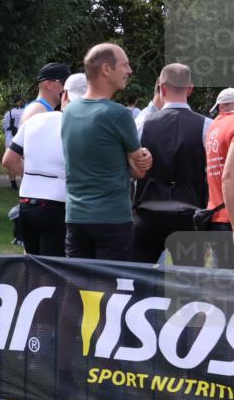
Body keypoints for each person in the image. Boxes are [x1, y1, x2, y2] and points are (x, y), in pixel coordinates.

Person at [61, 43, 152, 260]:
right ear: (106, 69)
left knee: (77, 280)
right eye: (125, 65)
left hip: (76, 217)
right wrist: (144, 157)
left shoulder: (69, 111)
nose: (129, 70)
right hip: (112, 219)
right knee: (110, 281)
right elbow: (138, 171)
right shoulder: (118, 114)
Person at [131, 63, 211, 265]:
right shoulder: (207, 127)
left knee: (138, 277)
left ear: (162, 88)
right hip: (189, 215)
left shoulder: (142, 124)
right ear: (190, 89)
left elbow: (130, 169)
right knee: (189, 279)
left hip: (148, 214)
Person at [1, 74, 87, 257]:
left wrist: (33, 173)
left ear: (65, 95)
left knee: (32, 263)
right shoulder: (82, 126)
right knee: (52, 267)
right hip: (58, 204)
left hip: (27, 202)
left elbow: (9, 159)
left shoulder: (35, 120)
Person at [203, 87, 234, 266]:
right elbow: (228, 177)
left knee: (221, 279)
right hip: (230, 218)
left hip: (214, 216)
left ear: (221, 106)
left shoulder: (213, 127)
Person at [1, 95, 25, 189]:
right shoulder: (25, 112)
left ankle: (13, 184)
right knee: (24, 161)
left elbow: (4, 128)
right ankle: (24, 183)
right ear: (19, 102)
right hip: (21, 140)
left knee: (11, 162)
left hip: (9, 140)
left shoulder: (7, 114)